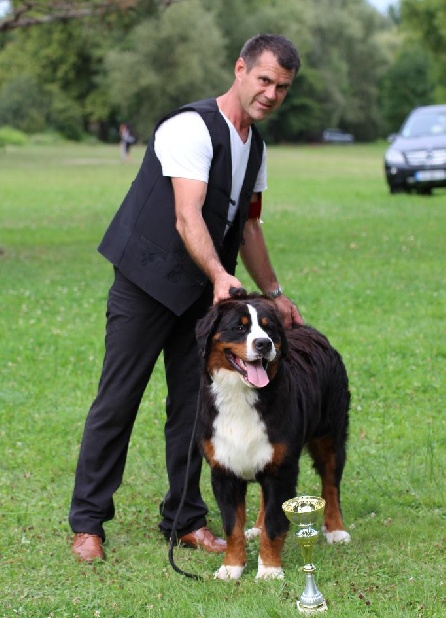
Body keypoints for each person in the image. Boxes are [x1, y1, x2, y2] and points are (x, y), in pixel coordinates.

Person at [69, 33, 303, 562]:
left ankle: (184, 519)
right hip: (146, 281)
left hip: (201, 290)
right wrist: (223, 277)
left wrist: (275, 293)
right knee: (118, 398)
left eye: (282, 87)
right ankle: (88, 522)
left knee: (195, 406)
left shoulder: (256, 147)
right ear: (240, 69)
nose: (270, 93)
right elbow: (186, 214)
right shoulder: (189, 128)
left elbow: (248, 223)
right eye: (264, 79)